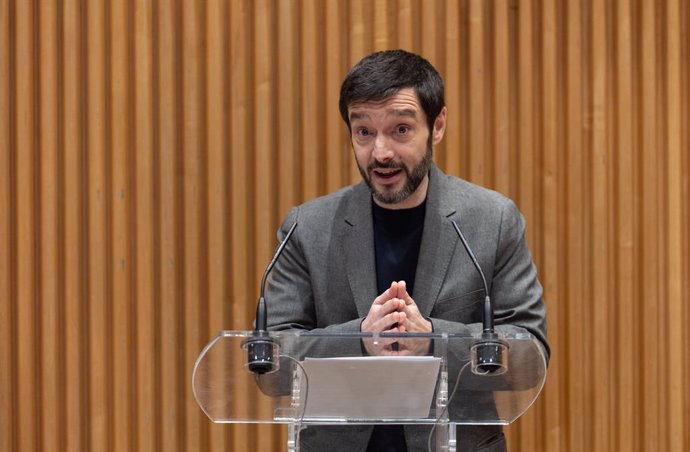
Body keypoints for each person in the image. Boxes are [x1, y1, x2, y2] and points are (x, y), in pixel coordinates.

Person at [264, 49, 549, 452]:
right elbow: (270, 364)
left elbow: (529, 356)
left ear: (437, 126)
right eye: (364, 131)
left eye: (400, 129)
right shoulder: (307, 229)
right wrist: (359, 337)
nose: (381, 152)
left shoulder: (492, 221)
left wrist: (434, 338)